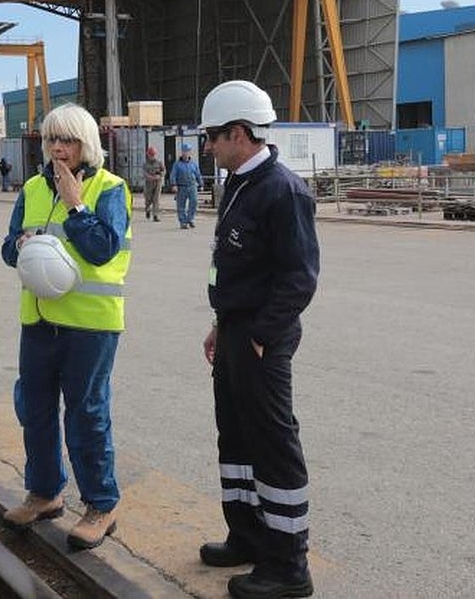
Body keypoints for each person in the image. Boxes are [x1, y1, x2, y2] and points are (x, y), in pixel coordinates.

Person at [196, 80, 320, 599]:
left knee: (272, 445)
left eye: (213, 137)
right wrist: (223, 325)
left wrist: (261, 337)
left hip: (260, 340)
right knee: (238, 438)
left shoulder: (282, 190)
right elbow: (240, 269)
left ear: (239, 134)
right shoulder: (243, 183)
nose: (208, 147)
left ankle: (289, 565)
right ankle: (247, 535)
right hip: (237, 332)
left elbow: (300, 277)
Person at [0, 103, 132, 551]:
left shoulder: (111, 189)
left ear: (86, 144)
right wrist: (19, 245)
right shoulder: (34, 188)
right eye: (52, 139)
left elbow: (101, 249)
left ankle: (100, 504)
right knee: (33, 410)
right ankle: (45, 493)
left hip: (89, 326)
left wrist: (76, 207)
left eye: (68, 140)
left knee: (87, 415)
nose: (58, 147)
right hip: (37, 321)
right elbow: (7, 248)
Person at [169, 142, 202, 229]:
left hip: (192, 186)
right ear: (182, 152)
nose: (186, 153)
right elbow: (173, 175)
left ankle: (190, 219)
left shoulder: (193, 164)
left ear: (190, 152)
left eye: (188, 151)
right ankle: (183, 222)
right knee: (181, 205)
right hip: (181, 187)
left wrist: (201, 184)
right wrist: (174, 185)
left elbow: (198, 174)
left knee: (194, 202)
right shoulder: (177, 164)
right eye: (184, 151)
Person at [142, 146, 165, 221]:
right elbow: (144, 173)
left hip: (157, 183)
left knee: (156, 199)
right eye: (150, 155)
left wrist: (160, 175)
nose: (152, 156)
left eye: (153, 155)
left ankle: (155, 215)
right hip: (148, 183)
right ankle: (147, 209)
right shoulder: (145, 164)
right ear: (148, 155)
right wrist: (149, 177)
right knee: (148, 199)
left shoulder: (159, 162)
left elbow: (164, 170)